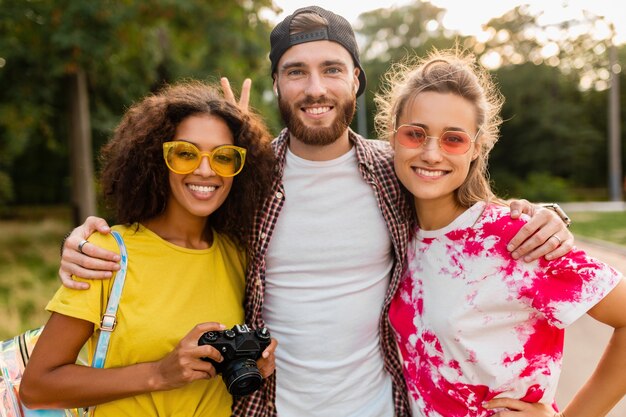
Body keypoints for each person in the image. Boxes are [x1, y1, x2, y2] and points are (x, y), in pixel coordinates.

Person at [56, 7, 574, 417]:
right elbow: (176, 210)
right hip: (266, 408)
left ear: (356, 81)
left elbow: (459, 199)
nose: (315, 88)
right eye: (296, 72)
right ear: (277, 85)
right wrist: (89, 238)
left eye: (332, 70)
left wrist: (545, 215)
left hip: (382, 407)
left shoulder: (394, 171)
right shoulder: (245, 180)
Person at [378, 49, 626, 417]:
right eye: (415, 134)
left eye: (453, 139)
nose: (431, 153)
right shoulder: (396, 231)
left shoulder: (515, 238)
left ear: (477, 147)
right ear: (393, 137)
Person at [19, 81, 278, 416]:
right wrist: (158, 374)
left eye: (223, 156)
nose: (205, 169)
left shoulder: (239, 255)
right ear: (157, 158)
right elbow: (38, 386)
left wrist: (256, 361)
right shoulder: (106, 252)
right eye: (185, 153)